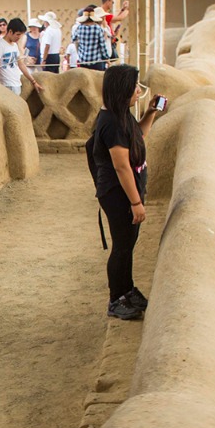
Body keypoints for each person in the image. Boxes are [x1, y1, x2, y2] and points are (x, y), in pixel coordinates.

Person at [88, 64, 161, 321]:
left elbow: (137, 135)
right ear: (122, 91)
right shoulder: (111, 123)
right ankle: (115, 299)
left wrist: (151, 112)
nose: (138, 91)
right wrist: (135, 202)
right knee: (121, 245)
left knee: (128, 243)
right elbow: (121, 166)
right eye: (134, 88)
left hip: (125, 193)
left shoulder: (120, 115)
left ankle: (127, 290)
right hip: (118, 195)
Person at [0, 17, 45, 99]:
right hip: (6, 85)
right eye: (18, 34)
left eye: (21, 35)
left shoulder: (14, 45)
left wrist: (33, 82)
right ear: (10, 31)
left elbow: (21, 64)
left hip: (16, 83)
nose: (19, 37)